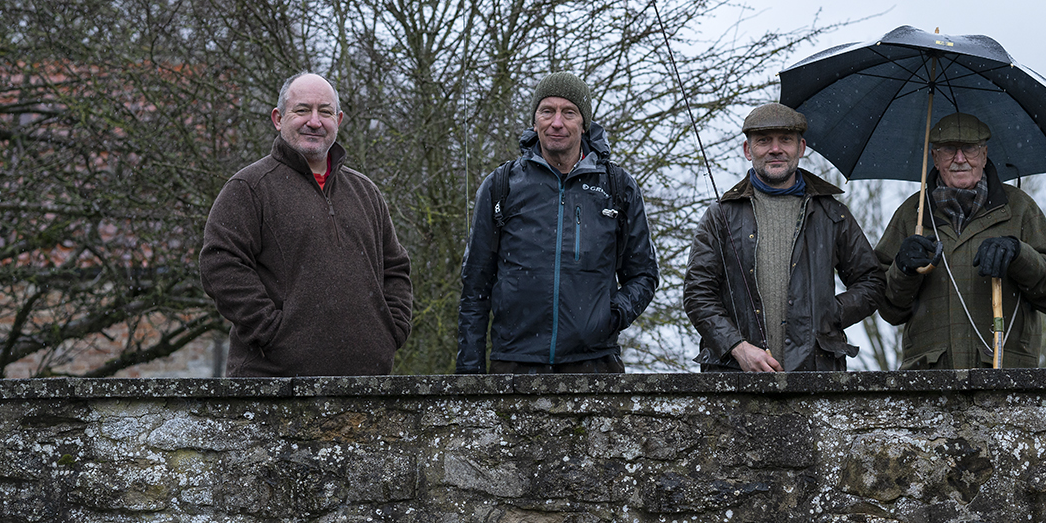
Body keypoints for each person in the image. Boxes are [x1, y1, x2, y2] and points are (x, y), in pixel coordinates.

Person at [200, 72, 413, 377]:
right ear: (278, 118)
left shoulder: (366, 192)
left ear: (338, 120)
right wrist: (273, 333)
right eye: (302, 110)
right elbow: (220, 265)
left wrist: (391, 330)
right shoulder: (249, 187)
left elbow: (395, 269)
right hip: (273, 386)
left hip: (367, 385)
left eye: (325, 112)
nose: (314, 121)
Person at [456, 72, 658, 374]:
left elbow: (644, 274)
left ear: (584, 123)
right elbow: (475, 285)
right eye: (547, 111)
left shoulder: (618, 187)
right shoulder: (502, 185)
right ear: (535, 119)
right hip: (513, 364)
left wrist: (611, 316)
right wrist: (469, 372)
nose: (557, 122)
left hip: (594, 364)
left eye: (569, 112)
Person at [683, 103, 885, 372]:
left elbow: (871, 281)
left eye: (785, 140)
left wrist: (830, 313)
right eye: (764, 141)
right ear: (748, 150)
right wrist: (737, 347)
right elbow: (698, 294)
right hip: (734, 375)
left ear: (800, 148)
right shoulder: (720, 216)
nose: (775, 149)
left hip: (817, 372)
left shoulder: (833, 214)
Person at [874, 113, 1046, 368]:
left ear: (984, 155)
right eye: (949, 149)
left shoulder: (1020, 208)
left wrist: (1019, 255)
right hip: (930, 377)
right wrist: (903, 270)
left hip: (1006, 372)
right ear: (935, 158)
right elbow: (890, 309)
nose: (960, 159)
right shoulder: (910, 214)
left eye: (969, 149)